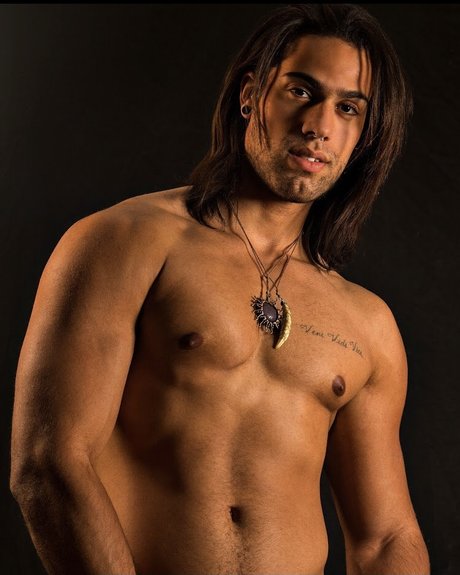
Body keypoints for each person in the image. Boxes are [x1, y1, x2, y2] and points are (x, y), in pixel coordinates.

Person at [10, 4, 430, 575]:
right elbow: (50, 462)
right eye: (301, 91)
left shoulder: (368, 324)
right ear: (250, 95)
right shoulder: (127, 242)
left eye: (348, 108)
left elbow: (386, 538)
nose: (319, 125)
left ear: (364, 133)